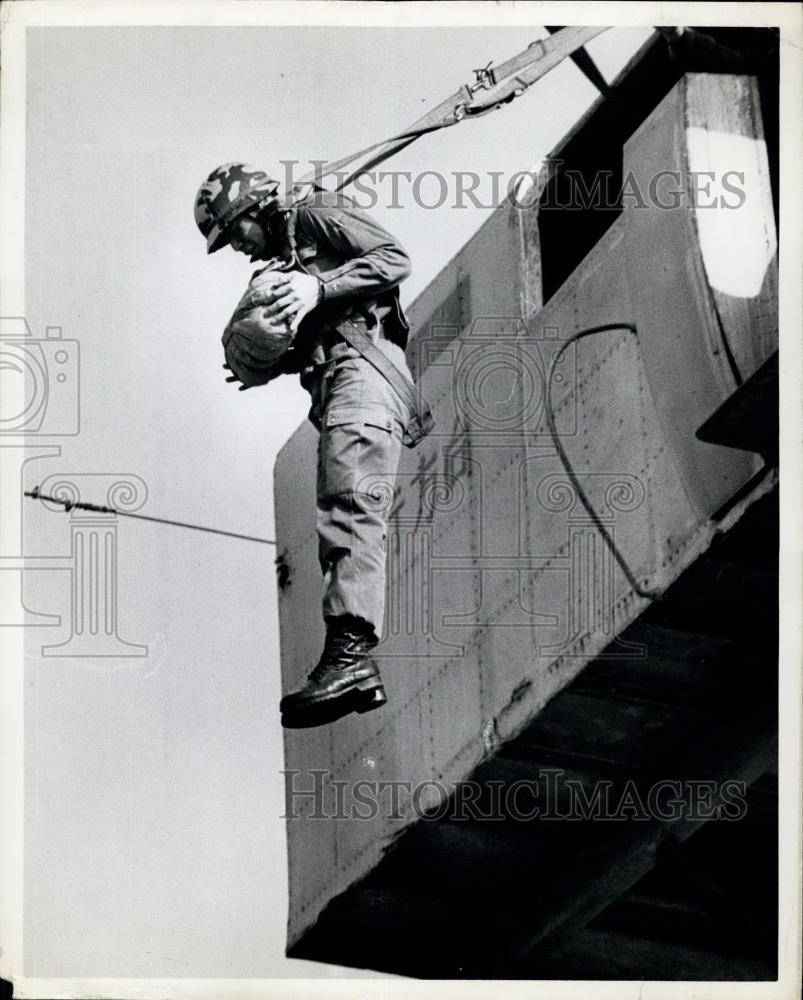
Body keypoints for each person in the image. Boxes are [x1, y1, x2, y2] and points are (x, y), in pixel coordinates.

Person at [194, 162, 426, 729]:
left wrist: (317, 285)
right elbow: (315, 335)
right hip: (339, 382)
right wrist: (263, 360)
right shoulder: (290, 254)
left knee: (350, 510)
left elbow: (395, 258)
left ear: (253, 211)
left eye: (235, 234)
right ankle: (351, 662)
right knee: (340, 510)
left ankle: (349, 657)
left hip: (363, 376)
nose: (240, 250)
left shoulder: (314, 213)